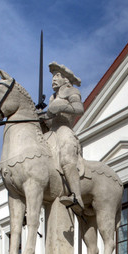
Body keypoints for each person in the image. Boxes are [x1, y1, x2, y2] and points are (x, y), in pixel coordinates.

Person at [42, 62, 86, 214]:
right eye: (53, 76)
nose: (54, 79)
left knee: (67, 159)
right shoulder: (51, 98)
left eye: (58, 75)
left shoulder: (71, 91)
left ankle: (76, 196)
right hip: (51, 132)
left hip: (64, 130)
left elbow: (79, 109)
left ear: (66, 79)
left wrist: (61, 107)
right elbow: (49, 118)